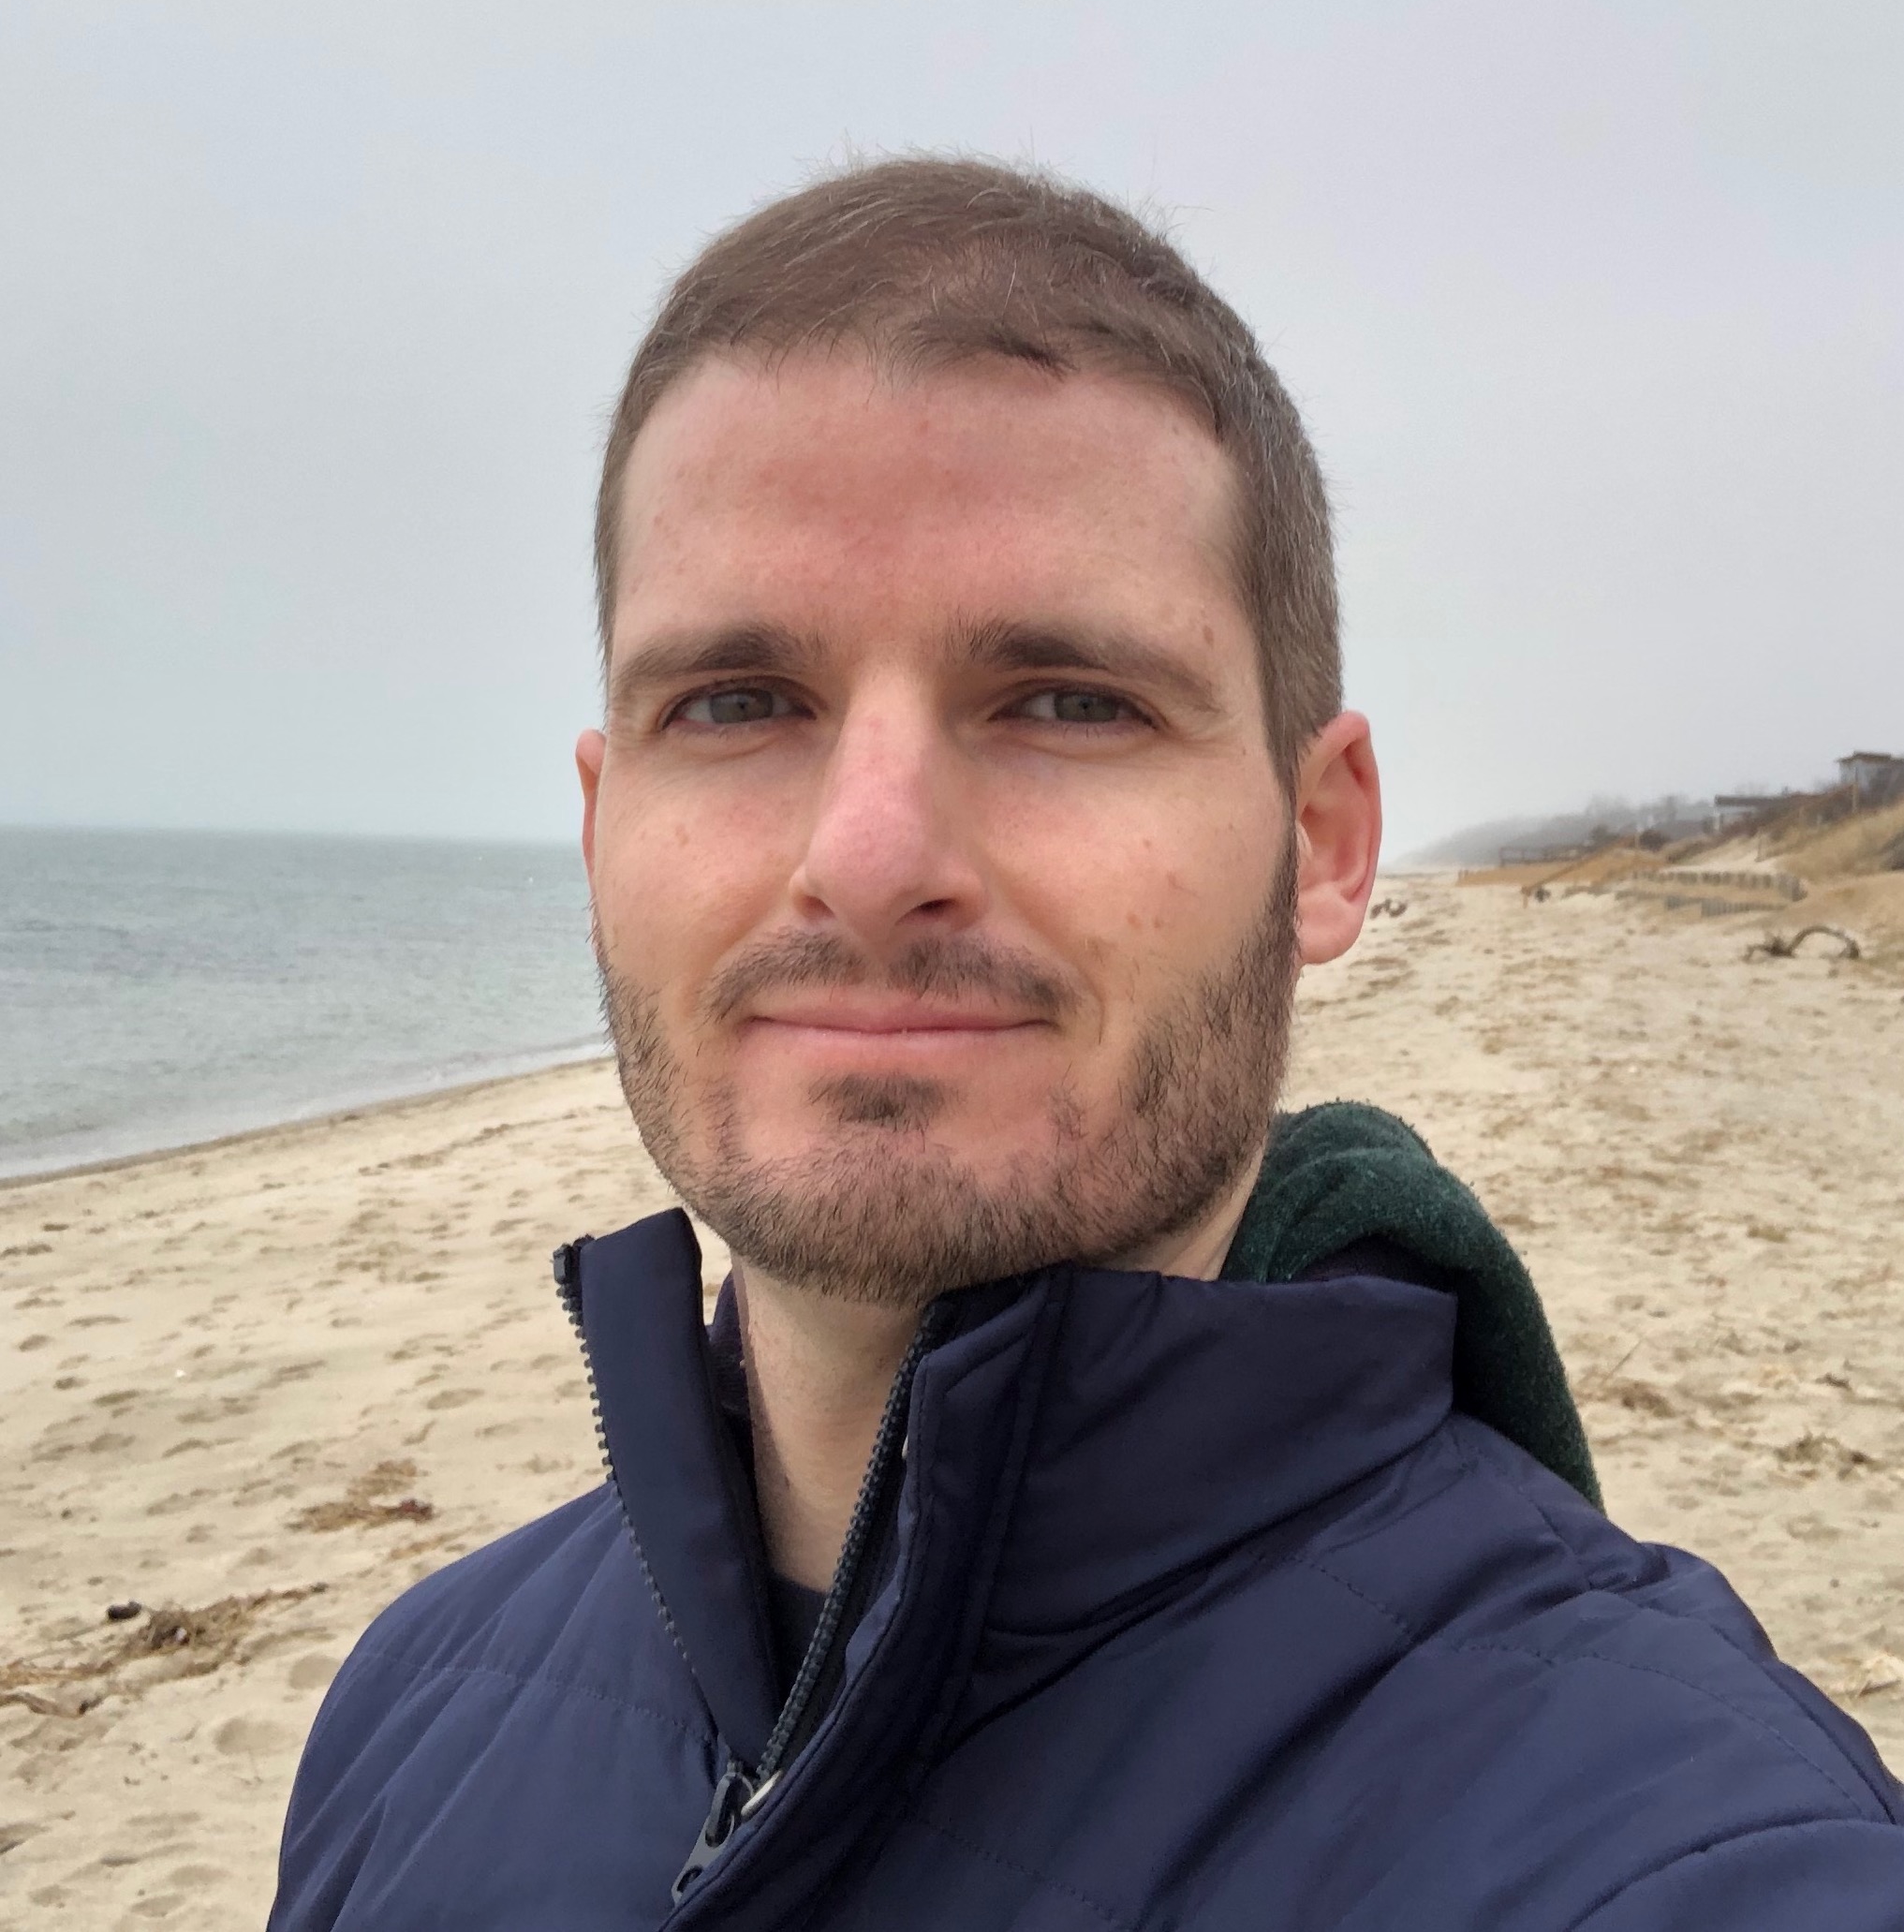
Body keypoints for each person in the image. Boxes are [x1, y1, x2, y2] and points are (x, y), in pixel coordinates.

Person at [268, 158, 1904, 1930]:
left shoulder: (1686, 1852)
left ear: (1321, 839)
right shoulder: (407, 1711)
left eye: (1066, 699)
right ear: (601, 832)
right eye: (737, 702)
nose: (872, 857)